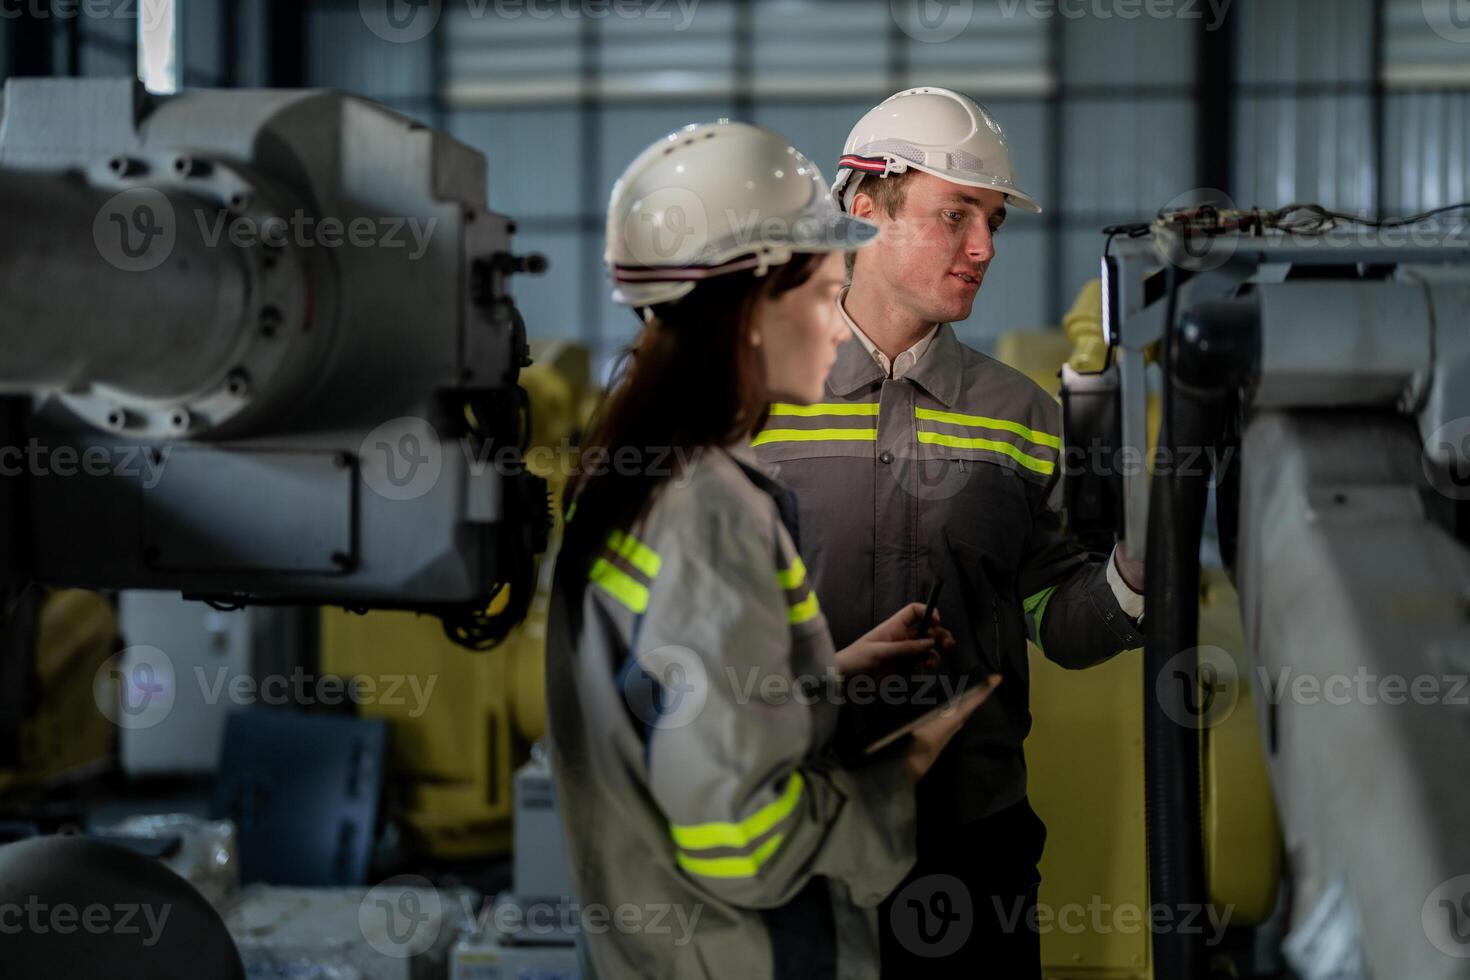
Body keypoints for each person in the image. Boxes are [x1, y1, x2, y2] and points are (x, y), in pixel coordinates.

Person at [545, 120, 1000, 980]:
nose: (841, 325)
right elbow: (742, 843)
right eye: (829, 292)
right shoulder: (708, 511)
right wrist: (900, 771)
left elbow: (669, 700)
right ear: (753, 309)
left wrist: (823, 679)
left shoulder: (640, 472)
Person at [751, 87, 1147, 977]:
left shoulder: (1023, 416)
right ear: (862, 208)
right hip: (789, 833)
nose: (984, 248)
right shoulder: (757, 403)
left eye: (994, 222)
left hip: (973, 846)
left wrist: (1135, 571)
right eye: (955, 215)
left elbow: (1055, 615)